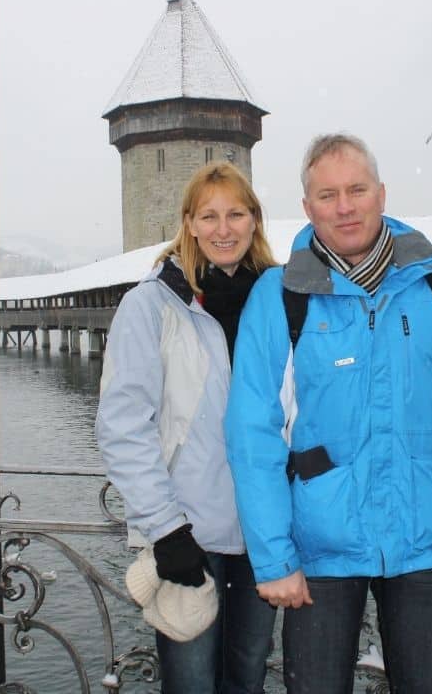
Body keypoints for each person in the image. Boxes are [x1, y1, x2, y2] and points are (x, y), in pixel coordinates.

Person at [224, 133, 432, 693]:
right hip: (318, 550)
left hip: (425, 537)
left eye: (356, 189)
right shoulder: (281, 297)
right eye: (328, 195)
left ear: (381, 194)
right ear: (307, 208)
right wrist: (274, 556)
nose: (344, 206)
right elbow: (251, 434)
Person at [96, 162, 278, 693]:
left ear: (254, 221)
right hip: (188, 534)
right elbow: (123, 425)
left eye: (236, 214)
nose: (224, 229)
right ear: (189, 224)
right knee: (191, 683)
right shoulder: (151, 305)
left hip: (264, 533)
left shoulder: (278, 301)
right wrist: (165, 528)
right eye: (209, 215)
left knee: (247, 678)